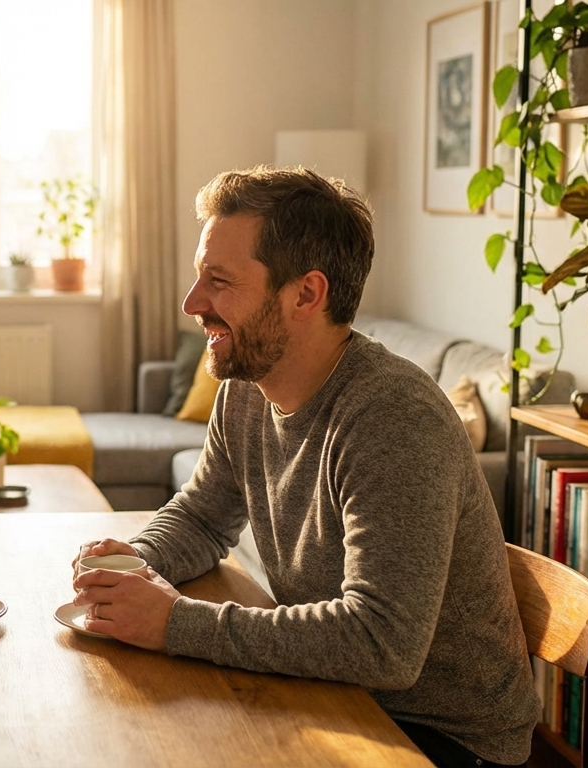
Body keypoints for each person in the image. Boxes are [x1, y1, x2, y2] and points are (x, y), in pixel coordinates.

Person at [71, 167, 539, 768]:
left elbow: (382, 644)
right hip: (332, 696)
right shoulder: (248, 386)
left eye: (219, 281)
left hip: (437, 738)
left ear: (305, 295)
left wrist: (175, 624)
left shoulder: (393, 416)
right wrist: (134, 562)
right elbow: (203, 515)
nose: (193, 304)